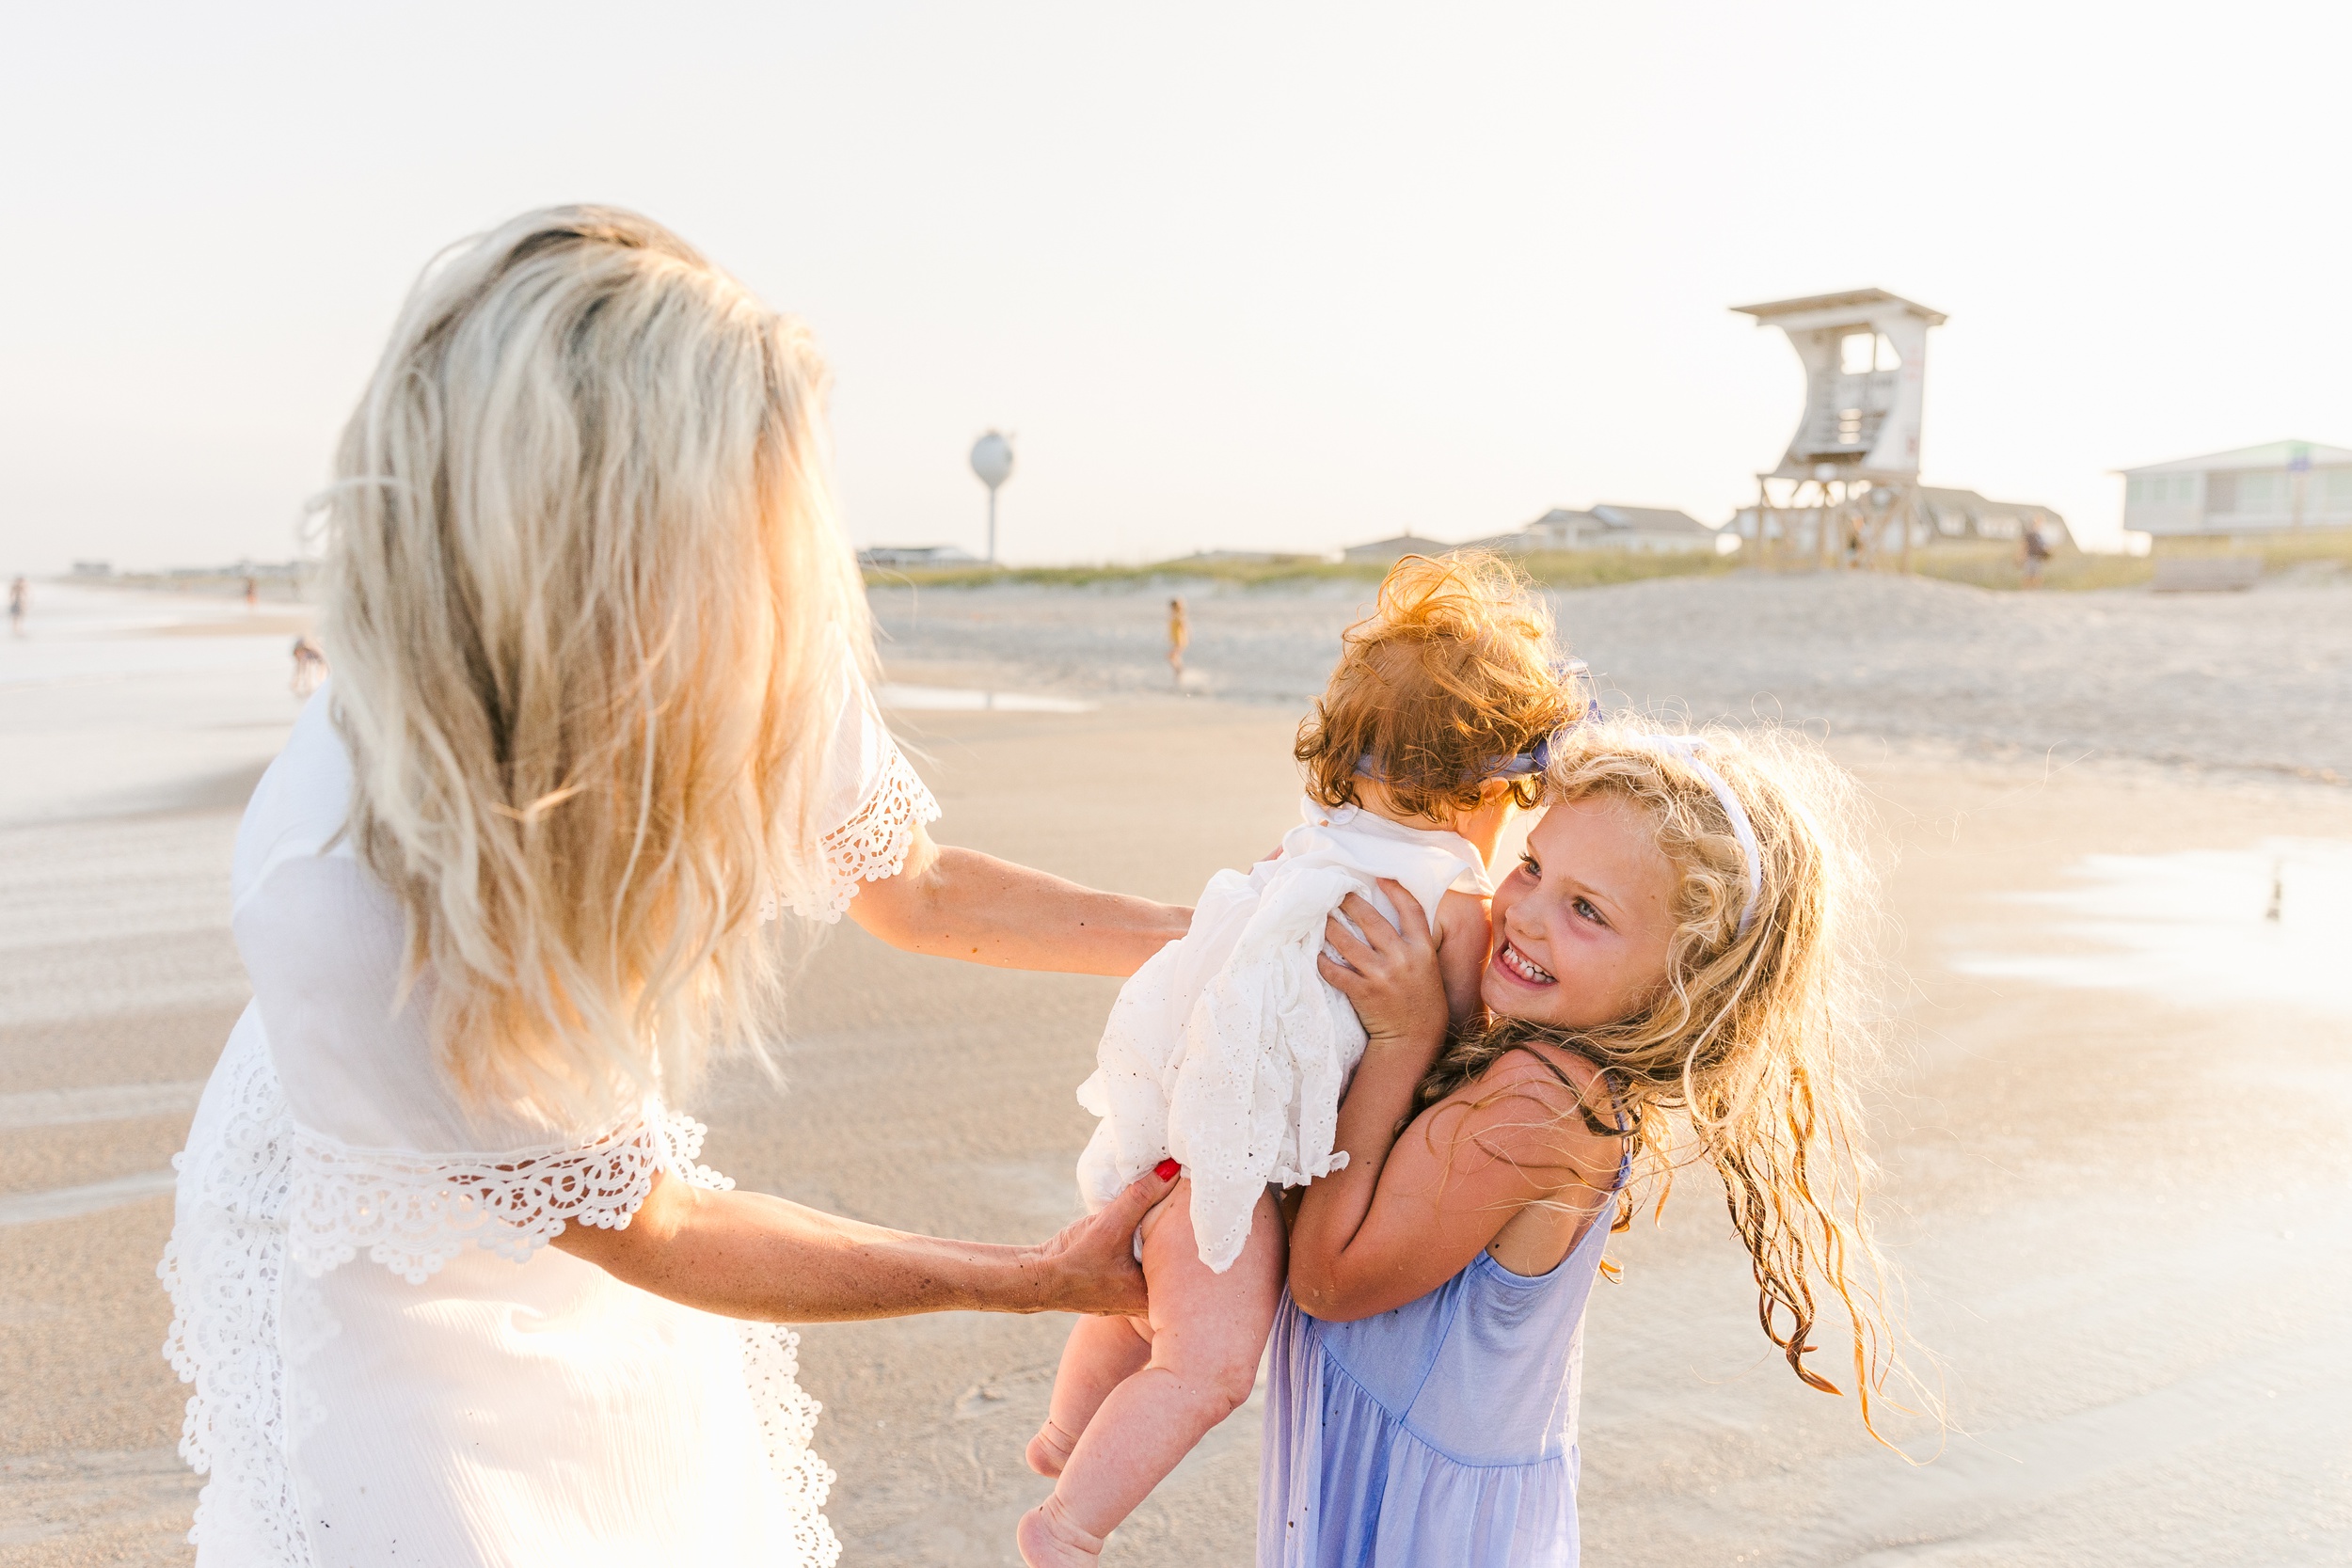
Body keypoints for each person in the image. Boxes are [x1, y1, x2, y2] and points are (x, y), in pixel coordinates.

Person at [157, 207, 1192, 1568]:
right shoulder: (333, 881)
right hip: (389, 1227)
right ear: (603, 550)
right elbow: (653, 1226)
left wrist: (1202, 937)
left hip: (585, 1161)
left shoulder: (751, 611)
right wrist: (1025, 1278)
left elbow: (918, 888)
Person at [1021, 555, 1578, 1565]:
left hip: (1176, 1141)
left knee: (1143, 1307)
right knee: (1206, 1369)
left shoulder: (1303, 850)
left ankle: (1064, 1433)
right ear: (1485, 789)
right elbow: (1446, 1046)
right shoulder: (1452, 907)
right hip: (1247, 1186)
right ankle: (1067, 1522)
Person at [1264, 718, 1911, 1565]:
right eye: (1531, 865)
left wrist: (1400, 1041)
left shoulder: (1540, 1104)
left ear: (1681, 981)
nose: (1527, 912)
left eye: (1587, 909)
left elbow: (1327, 1279)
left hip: (1428, 1535)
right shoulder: (1537, 1065)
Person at [287, 632, 326, 696]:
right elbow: (299, 666)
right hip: (306, 649)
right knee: (304, 667)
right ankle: (307, 685)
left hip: (314, 652)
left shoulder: (312, 647)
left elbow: (321, 657)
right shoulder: (303, 648)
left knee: (307, 667)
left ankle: (312, 685)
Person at [2020, 521, 2051, 588]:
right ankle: (2026, 589)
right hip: (2030, 556)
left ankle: (2035, 589)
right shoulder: (2029, 534)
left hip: (2038, 557)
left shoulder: (2040, 535)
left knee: (2037, 574)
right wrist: (2022, 555)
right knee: (2028, 574)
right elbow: (2024, 545)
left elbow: (2045, 546)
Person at [1167, 594, 1190, 686]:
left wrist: (1186, 637)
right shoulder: (1175, 616)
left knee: (1171, 656)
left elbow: (1183, 626)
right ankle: (1178, 673)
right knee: (1173, 657)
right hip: (1177, 640)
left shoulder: (1179, 616)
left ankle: (1179, 672)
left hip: (1180, 641)